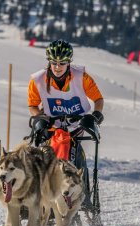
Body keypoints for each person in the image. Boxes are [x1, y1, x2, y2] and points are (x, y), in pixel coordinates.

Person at [27, 39, 104, 210]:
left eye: (62, 63)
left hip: (76, 128)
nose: (57, 66)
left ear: (69, 62)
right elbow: (32, 105)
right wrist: (38, 116)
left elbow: (98, 99)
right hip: (52, 129)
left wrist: (96, 114)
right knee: (41, 160)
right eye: (53, 62)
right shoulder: (38, 80)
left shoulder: (81, 77)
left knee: (77, 161)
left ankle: (82, 199)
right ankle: (39, 197)